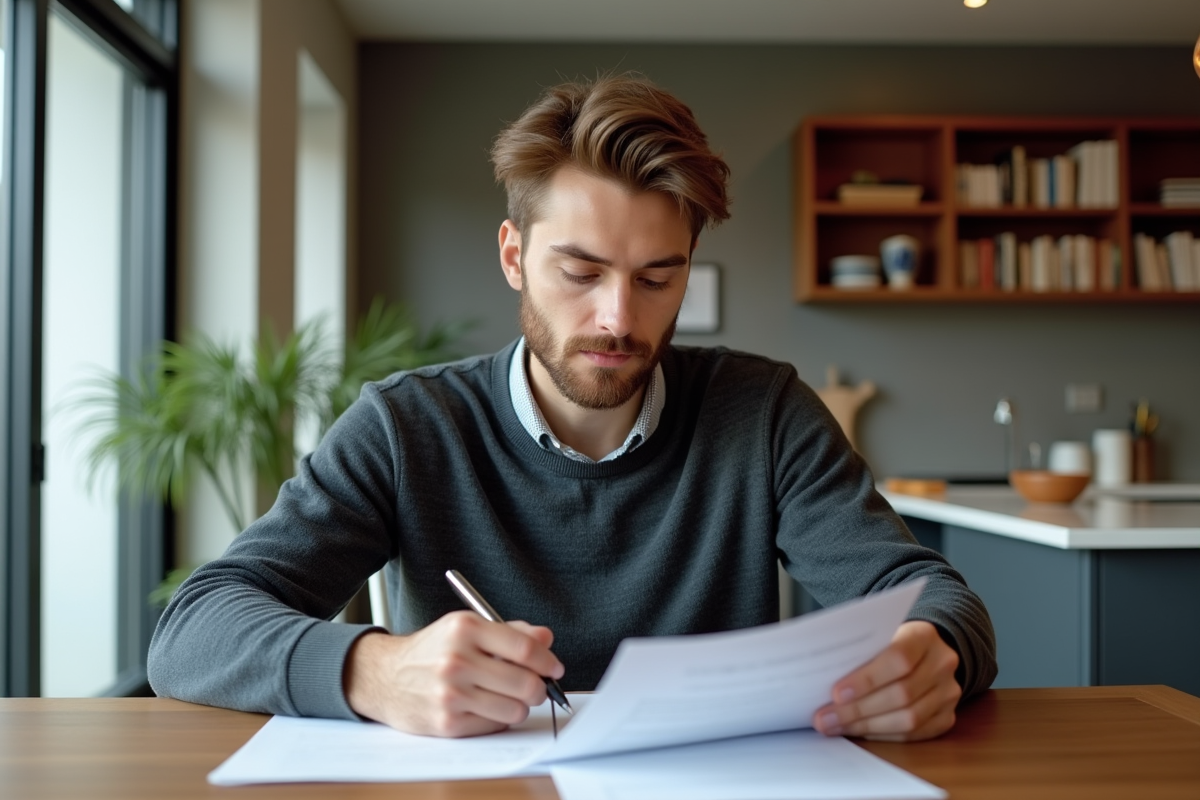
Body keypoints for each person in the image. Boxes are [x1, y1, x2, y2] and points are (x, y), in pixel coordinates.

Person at [148, 73, 996, 743]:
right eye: (580, 273)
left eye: (657, 278)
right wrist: (373, 671)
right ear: (514, 255)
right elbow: (194, 629)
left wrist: (933, 654)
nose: (619, 319)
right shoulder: (406, 427)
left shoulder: (763, 411)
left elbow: (931, 595)